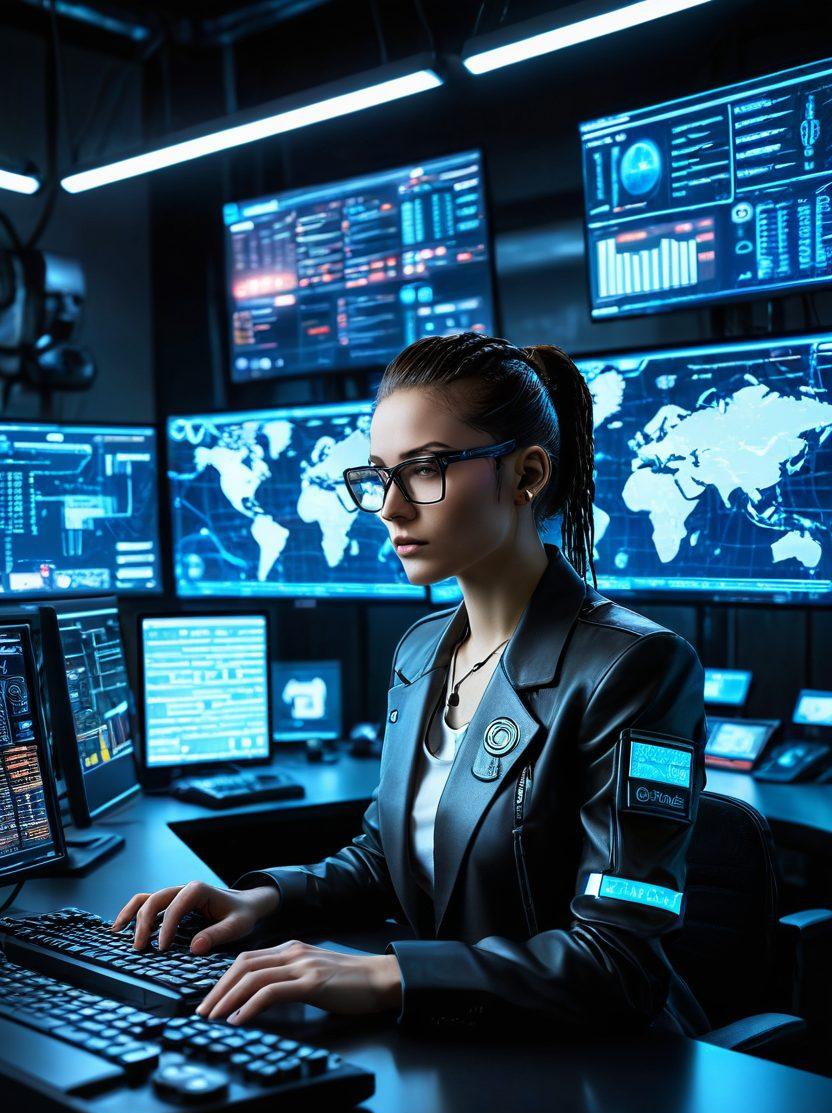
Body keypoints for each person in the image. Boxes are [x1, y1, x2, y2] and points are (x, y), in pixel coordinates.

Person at [113, 332, 708, 1036]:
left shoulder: (638, 667)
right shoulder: (422, 650)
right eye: (378, 477)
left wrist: (386, 974)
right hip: (461, 1043)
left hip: (598, 1073)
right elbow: (389, 857)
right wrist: (264, 902)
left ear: (526, 474)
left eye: (425, 471)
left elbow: (619, 963)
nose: (392, 507)